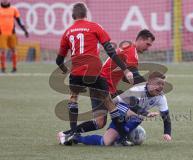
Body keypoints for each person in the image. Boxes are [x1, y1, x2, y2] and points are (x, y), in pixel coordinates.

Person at [56, 2, 134, 143]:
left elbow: (59, 60)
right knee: (109, 103)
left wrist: (64, 70)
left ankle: (72, 133)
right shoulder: (95, 27)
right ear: (86, 14)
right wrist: (125, 69)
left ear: (73, 15)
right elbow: (110, 50)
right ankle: (123, 137)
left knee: (73, 98)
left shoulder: (67, 32)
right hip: (94, 72)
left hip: (76, 73)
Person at [66, 29, 155, 136]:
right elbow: (134, 77)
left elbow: (128, 77)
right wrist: (152, 83)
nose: (148, 48)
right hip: (103, 86)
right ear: (140, 39)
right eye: (147, 44)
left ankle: (68, 134)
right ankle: (122, 137)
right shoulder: (131, 51)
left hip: (103, 85)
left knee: (100, 122)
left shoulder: (129, 48)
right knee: (126, 107)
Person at [62, 72, 172, 146]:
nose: (160, 87)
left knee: (108, 142)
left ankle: (121, 138)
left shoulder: (161, 97)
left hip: (136, 115)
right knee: (106, 140)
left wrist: (167, 133)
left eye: (162, 84)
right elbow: (133, 106)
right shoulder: (138, 90)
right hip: (118, 109)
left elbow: (165, 115)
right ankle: (78, 138)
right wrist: (146, 113)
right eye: (158, 83)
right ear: (149, 83)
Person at [0, 0, 29, 73]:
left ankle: (14, 68)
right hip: (2, 34)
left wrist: (25, 30)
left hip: (12, 33)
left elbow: (19, 21)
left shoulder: (14, 9)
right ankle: (3, 68)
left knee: (14, 50)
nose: (5, 1)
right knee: (2, 51)